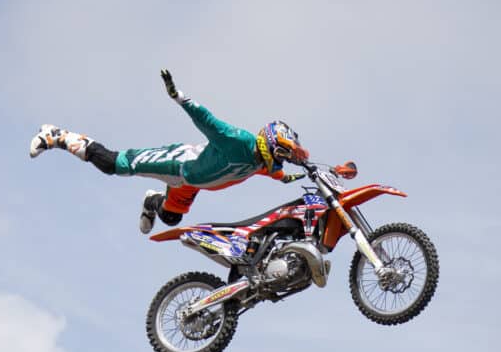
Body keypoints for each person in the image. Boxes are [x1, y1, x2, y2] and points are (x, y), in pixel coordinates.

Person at [29, 70, 309, 233]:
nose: (280, 160)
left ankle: (153, 202)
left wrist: (296, 176)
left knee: (171, 219)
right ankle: (58, 136)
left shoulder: (263, 163)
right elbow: (207, 120)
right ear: (270, 142)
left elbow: (277, 174)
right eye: (281, 152)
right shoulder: (238, 141)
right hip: (179, 164)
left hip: (191, 183)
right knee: (114, 164)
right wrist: (179, 97)